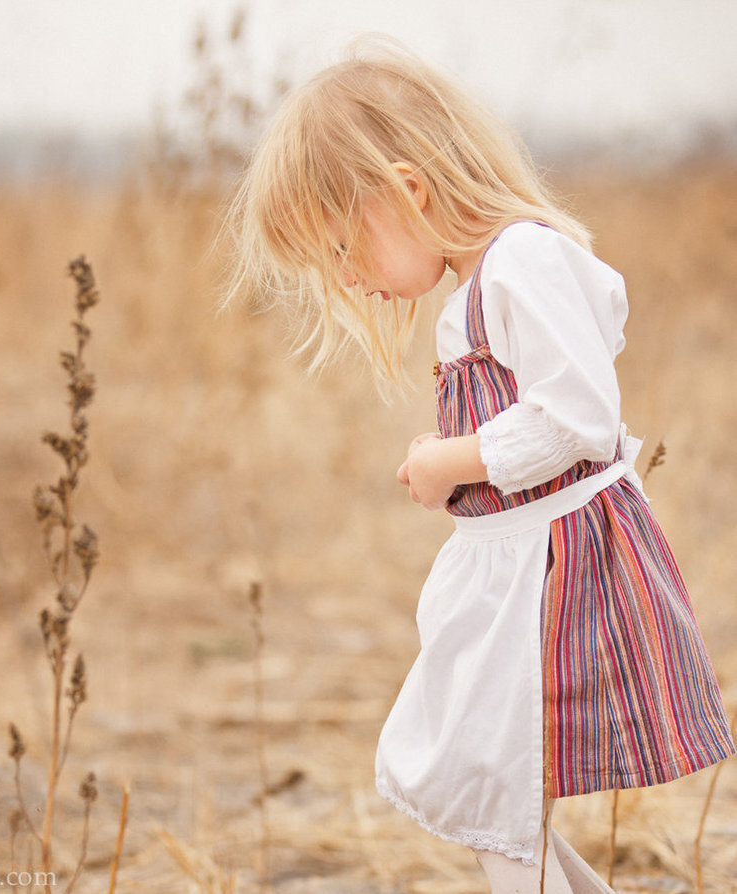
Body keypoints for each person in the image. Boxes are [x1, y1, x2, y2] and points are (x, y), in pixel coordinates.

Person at [225, 39, 735, 893]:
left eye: (347, 249)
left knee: (488, 793)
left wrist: (454, 458)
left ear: (408, 191)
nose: (350, 281)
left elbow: (580, 415)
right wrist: (454, 461)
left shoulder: (518, 263)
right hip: (513, 573)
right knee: (487, 794)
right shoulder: (476, 290)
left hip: (556, 574)